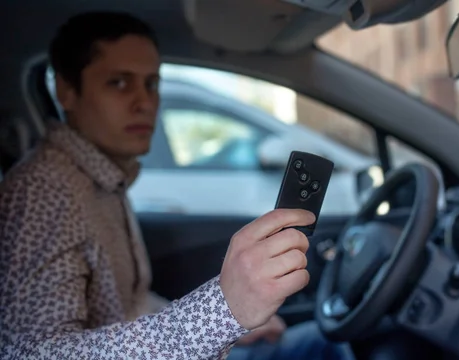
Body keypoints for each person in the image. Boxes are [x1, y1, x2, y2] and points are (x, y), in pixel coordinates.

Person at [0, 11, 353, 360]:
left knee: (321, 342)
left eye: (151, 83)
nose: (145, 102)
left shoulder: (102, 178)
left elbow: (129, 304)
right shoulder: (43, 193)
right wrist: (222, 313)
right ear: (66, 91)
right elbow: (33, 354)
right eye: (119, 83)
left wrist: (228, 328)